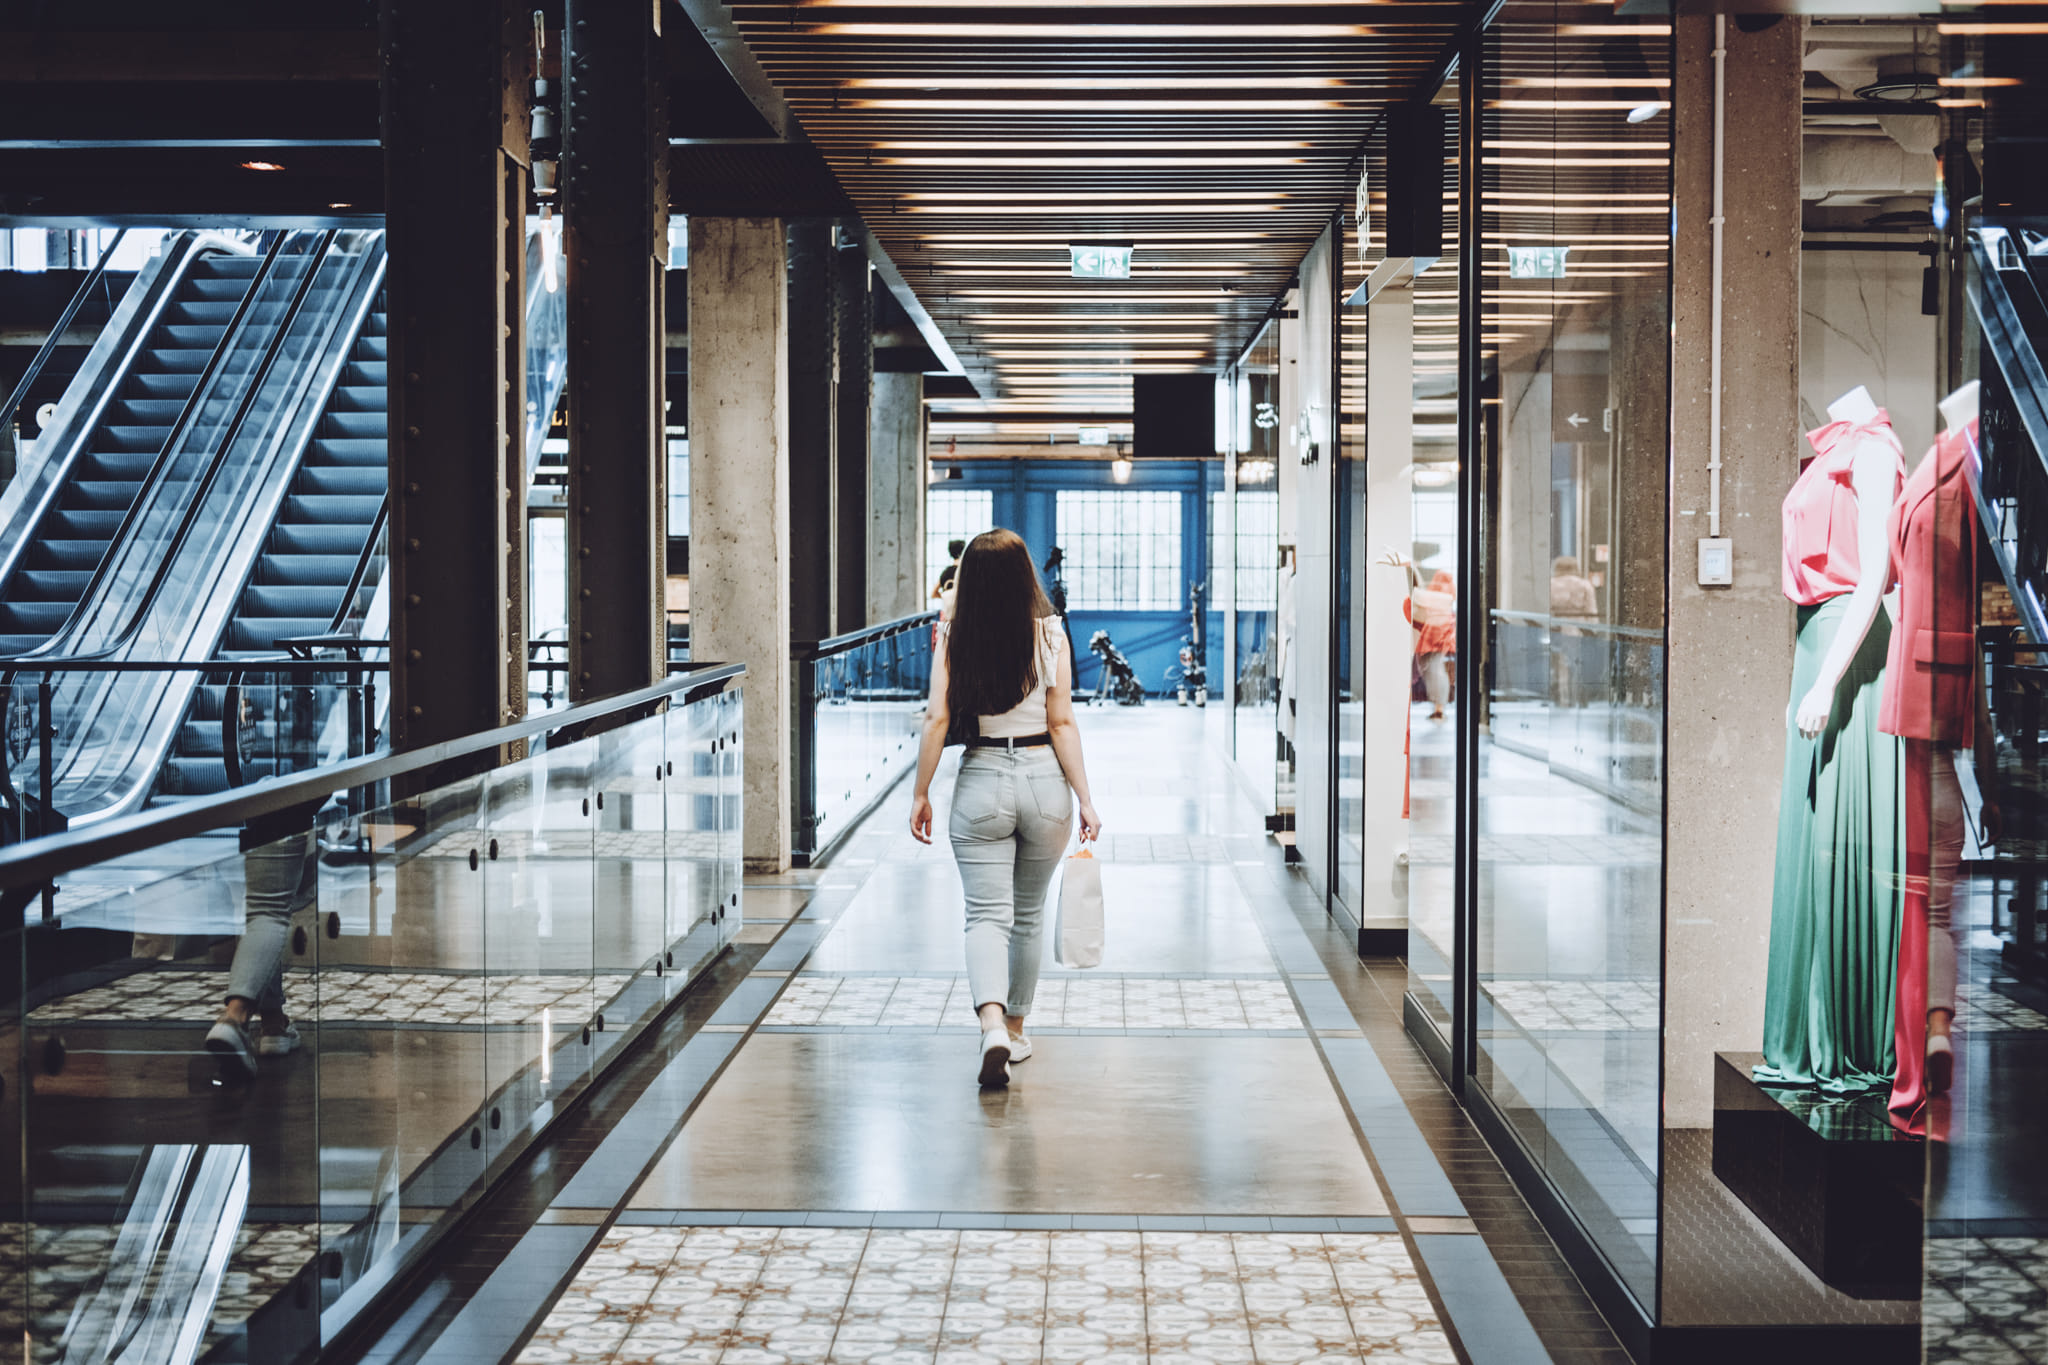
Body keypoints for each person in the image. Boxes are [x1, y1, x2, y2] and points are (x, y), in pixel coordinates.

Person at [910, 528, 1103, 1088]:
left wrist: (921, 793)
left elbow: (937, 719)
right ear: (1026, 577)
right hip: (1046, 783)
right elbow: (1063, 721)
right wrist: (1086, 798)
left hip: (982, 781)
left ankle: (990, 1024)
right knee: (1027, 914)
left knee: (985, 915)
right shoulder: (1051, 634)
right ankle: (1016, 1030)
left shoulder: (954, 632)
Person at [205, 800, 321, 1076]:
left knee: (254, 913)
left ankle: (273, 1022)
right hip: (279, 797)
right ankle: (235, 1017)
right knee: (269, 911)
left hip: (225, 804)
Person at [1548, 555, 1599, 707]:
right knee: (1579, 664)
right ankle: (1579, 697)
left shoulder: (1551, 584)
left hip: (1557, 628)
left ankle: (1563, 699)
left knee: (1560, 665)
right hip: (1580, 628)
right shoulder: (1585, 585)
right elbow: (1591, 610)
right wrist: (1594, 631)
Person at [1411, 570, 1456, 720]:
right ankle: (1438, 706)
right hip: (1437, 632)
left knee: (1433, 669)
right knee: (1432, 668)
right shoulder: (1446, 588)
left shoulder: (1441, 586)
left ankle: (1439, 708)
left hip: (1435, 633)